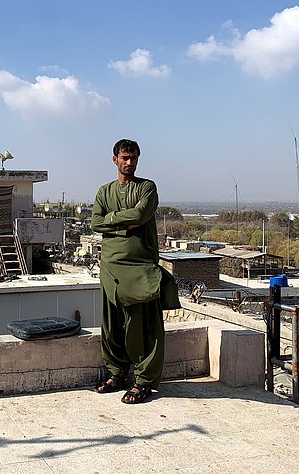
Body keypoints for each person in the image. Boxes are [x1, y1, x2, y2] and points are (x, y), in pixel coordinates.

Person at [91, 139, 164, 404]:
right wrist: (122, 221)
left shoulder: (147, 187)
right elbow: (95, 222)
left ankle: (144, 381)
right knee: (112, 325)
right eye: (125, 158)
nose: (129, 163)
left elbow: (141, 214)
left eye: (133, 158)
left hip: (140, 265)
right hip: (111, 267)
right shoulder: (104, 191)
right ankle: (118, 373)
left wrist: (112, 220)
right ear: (115, 160)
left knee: (143, 326)